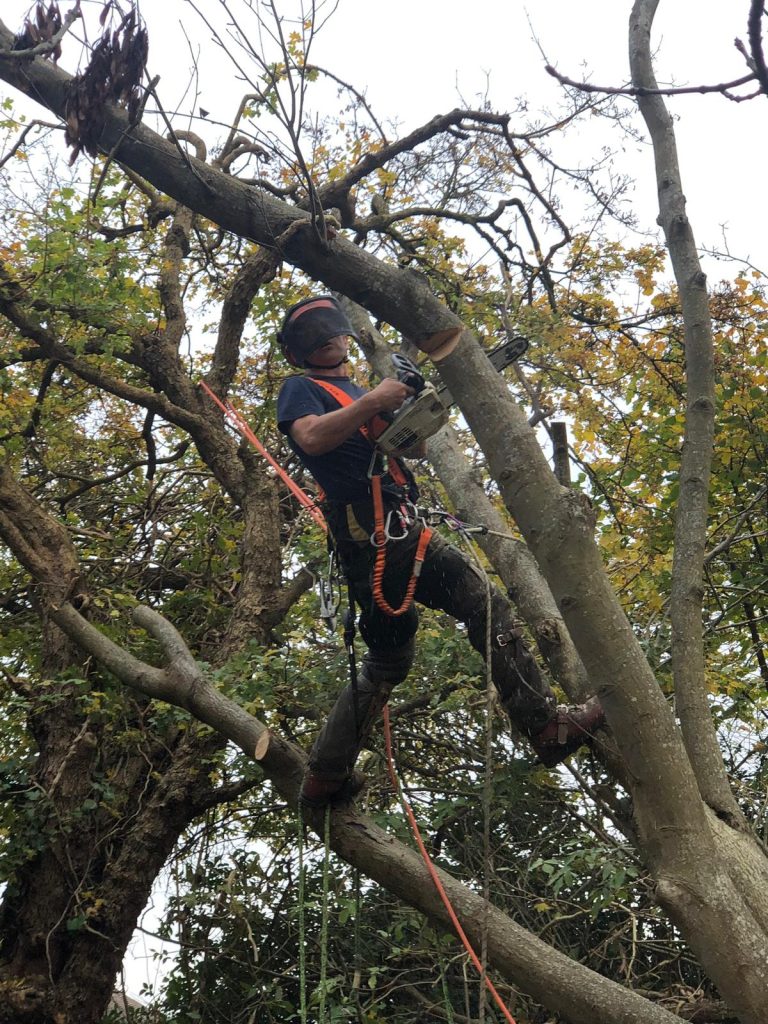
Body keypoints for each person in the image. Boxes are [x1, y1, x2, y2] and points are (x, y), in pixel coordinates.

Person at [276, 295, 604, 807]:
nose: (333, 341)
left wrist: (410, 411)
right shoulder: (301, 389)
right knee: (389, 659)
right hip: (370, 536)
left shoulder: (358, 390)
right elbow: (311, 440)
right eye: (320, 337)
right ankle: (325, 774)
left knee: (483, 602)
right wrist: (375, 401)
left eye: (333, 333)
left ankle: (544, 727)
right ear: (304, 349)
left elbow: (412, 448)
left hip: (404, 525)